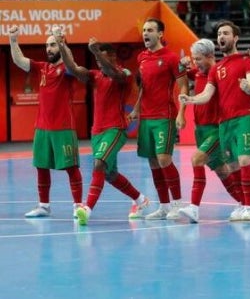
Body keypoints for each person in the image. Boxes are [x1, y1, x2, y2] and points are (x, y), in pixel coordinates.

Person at [58, 35, 151, 225]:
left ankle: (87, 209)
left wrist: (96, 53)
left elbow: (112, 72)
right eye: (98, 58)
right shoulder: (95, 75)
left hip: (115, 129)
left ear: (113, 57)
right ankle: (141, 200)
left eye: (104, 57)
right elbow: (73, 69)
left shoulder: (124, 74)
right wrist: (61, 45)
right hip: (97, 132)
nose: (100, 62)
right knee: (110, 174)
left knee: (99, 164)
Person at [179, 21, 250, 221]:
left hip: (242, 118)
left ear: (235, 38)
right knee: (228, 169)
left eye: (225, 33)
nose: (221, 36)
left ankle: (246, 207)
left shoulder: (246, 60)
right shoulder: (215, 70)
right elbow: (206, 93)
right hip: (223, 124)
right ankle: (242, 203)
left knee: (242, 160)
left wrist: (248, 87)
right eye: (219, 33)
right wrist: (189, 100)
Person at [7, 25, 83, 218]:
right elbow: (19, 60)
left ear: (60, 45)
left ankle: (78, 206)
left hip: (63, 128)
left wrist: (62, 43)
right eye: (47, 45)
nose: (49, 48)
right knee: (41, 166)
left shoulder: (67, 69)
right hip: (42, 128)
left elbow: (71, 62)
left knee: (71, 167)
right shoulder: (43, 68)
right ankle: (44, 206)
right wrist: (13, 40)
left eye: (53, 45)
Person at [129, 18, 188, 220]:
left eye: (150, 30)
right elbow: (144, 87)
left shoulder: (171, 58)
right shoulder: (141, 58)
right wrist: (137, 108)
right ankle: (163, 206)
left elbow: (184, 86)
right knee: (153, 162)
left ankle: (178, 204)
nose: (145, 33)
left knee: (164, 159)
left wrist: (182, 112)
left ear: (160, 34)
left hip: (165, 115)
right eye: (144, 30)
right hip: (146, 117)